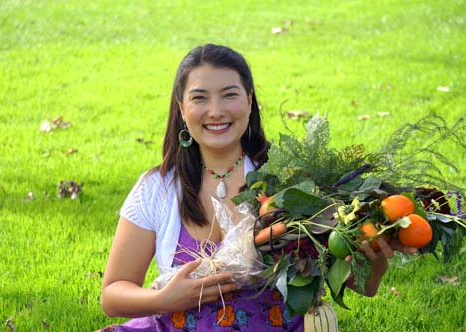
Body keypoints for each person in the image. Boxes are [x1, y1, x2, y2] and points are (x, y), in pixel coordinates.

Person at [98, 43, 413, 332]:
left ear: (249, 101)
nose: (216, 110)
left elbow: (364, 286)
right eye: (199, 97)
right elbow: (113, 295)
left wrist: (375, 252)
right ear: (182, 108)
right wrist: (165, 300)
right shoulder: (158, 188)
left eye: (229, 94)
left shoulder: (292, 182)